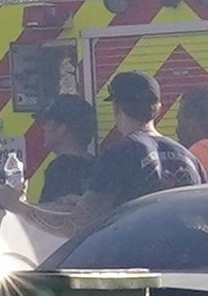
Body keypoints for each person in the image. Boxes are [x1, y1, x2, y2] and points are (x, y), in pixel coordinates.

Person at [35, 72, 198, 220]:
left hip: (137, 250)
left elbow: (86, 218)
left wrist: (18, 207)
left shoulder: (118, 155)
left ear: (117, 108)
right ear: (159, 109)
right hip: (184, 251)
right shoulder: (188, 157)